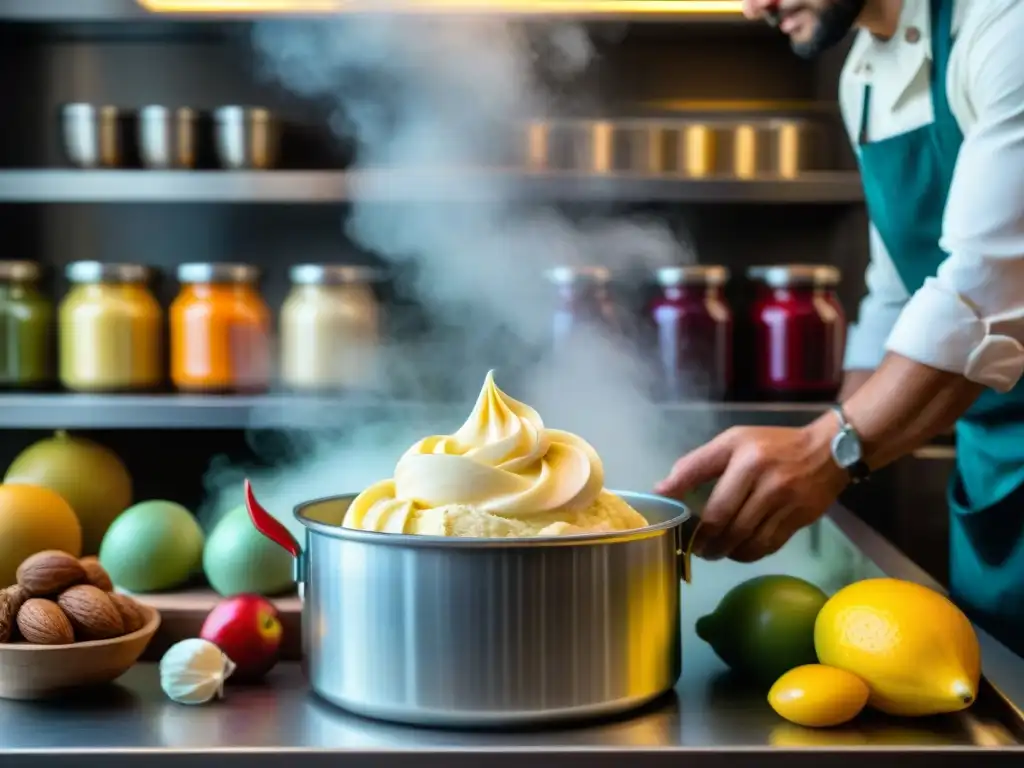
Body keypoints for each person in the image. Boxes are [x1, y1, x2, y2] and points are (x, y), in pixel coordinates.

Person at [656, 0, 1024, 653]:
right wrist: (810, 459)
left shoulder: (1003, 23)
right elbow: (896, 293)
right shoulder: (862, 79)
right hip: (996, 471)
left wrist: (825, 452)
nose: (754, 7)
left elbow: (985, 284)